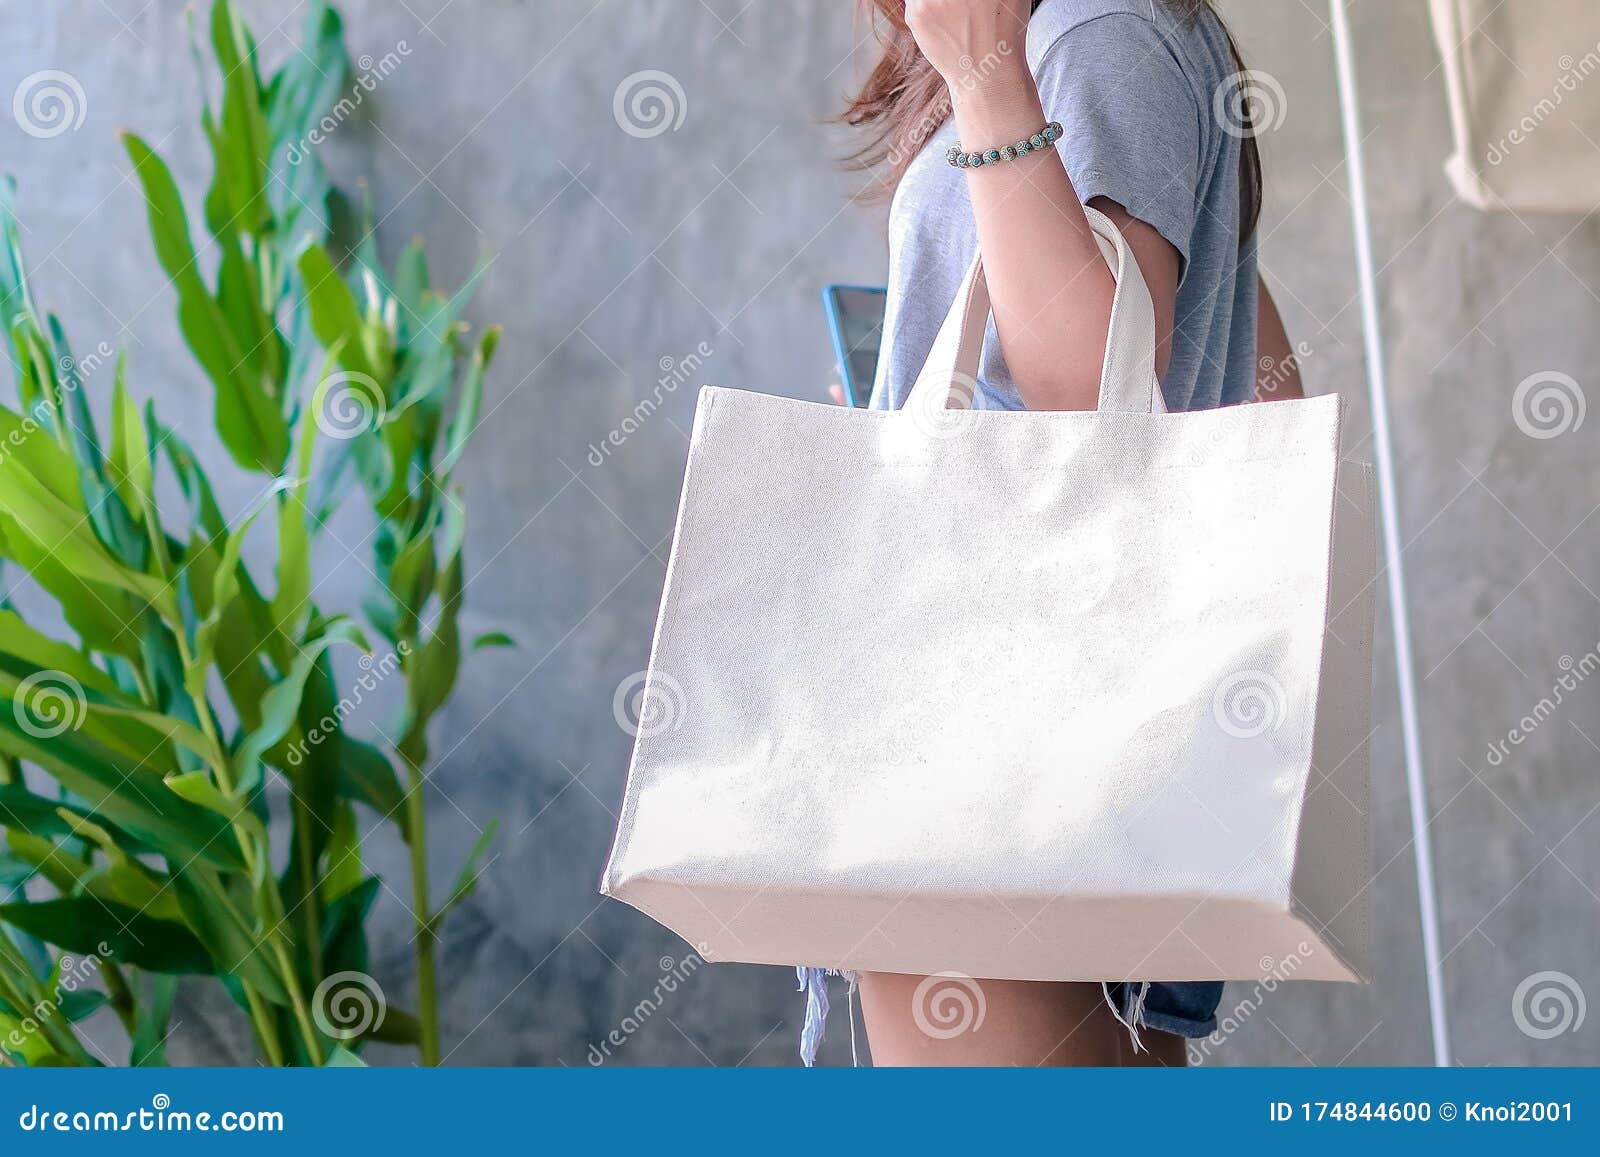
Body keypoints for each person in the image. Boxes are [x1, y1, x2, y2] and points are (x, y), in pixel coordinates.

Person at [814, 0, 1306, 1067]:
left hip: (997, 737)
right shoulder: (1111, 36)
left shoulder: (1095, 38)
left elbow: (1086, 393)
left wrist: (987, 76)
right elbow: (1257, 387)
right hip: (1053, 724)